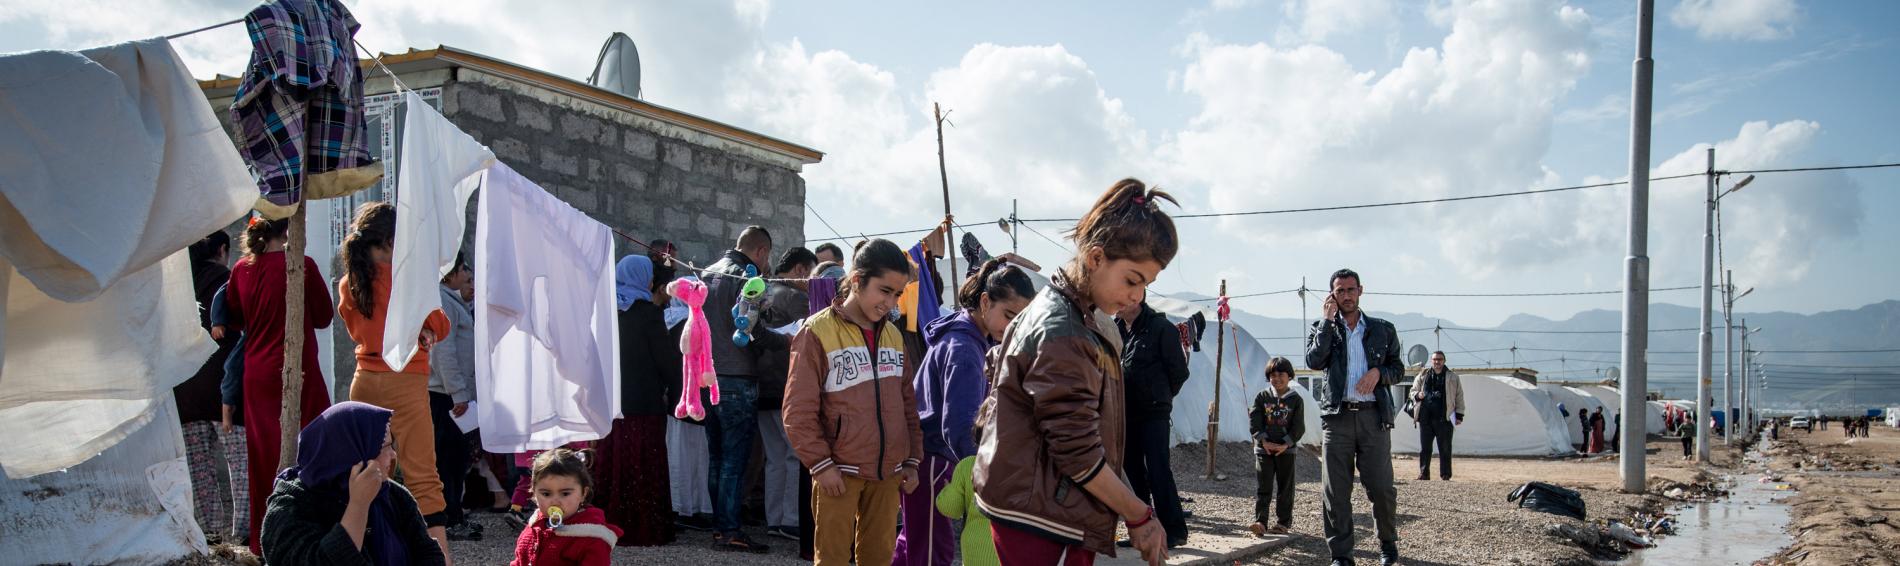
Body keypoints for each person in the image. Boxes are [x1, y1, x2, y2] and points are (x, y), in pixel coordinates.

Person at [977, 178, 1179, 566]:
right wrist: (1139, 514)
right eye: (1132, 280)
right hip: (1044, 518)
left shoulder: (1061, 312)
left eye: (1147, 285)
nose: (1137, 296)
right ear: (1096, 258)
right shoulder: (1065, 332)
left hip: (1035, 506)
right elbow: (1079, 454)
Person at [782, 239, 924, 565]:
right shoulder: (816, 332)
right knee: (831, 559)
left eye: (897, 295)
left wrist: (913, 459)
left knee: (877, 559)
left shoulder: (893, 335)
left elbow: (907, 404)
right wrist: (820, 464)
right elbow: (797, 410)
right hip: (837, 474)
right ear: (857, 280)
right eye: (884, 290)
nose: (890, 302)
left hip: (889, 474)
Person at [897, 257, 1037, 565]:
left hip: (922, 457)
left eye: (1020, 319)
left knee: (914, 543)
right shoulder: (964, 350)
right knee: (932, 552)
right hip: (935, 460)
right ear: (985, 301)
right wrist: (981, 475)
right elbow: (960, 425)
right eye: (1009, 315)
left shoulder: (966, 339)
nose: (1012, 326)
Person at [334, 202, 454, 556]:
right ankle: (440, 556)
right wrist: (425, 332)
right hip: (406, 379)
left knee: (371, 471)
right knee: (422, 474)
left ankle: (377, 550)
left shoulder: (348, 282)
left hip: (365, 379)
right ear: (390, 241)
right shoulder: (407, 279)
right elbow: (440, 323)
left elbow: (356, 328)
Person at [227, 216, 336, 555]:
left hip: (257, 373)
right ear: (288, 229)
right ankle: (310, 533)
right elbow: (323, 316)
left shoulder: (241, 270)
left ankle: (264, 541)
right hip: (298, 369)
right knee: (314, 452)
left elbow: (234, 316)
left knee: (263, 458)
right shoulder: (301, 265)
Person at [259, 401, 446, 566]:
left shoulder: (393, 495)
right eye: (383, 447)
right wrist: (359, 505)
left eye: (392, 445)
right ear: (350, 453)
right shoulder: (289, 507)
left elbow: (428, 553)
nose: (393, 454)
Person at [1305, 268, 1403, 566]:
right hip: (1337, 419)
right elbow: (1313, 360)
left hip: (1374, 418)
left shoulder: (1383, 329)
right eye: (1340, 291)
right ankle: (1342, 556)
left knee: (1382, 488)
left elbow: (1398, 369)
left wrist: (1378, 372)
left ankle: (1387, 545)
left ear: (1360, 290)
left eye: (1350, 289)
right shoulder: (1323, 328)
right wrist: (1325, 321)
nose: (1346, 295)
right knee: (1335, 492)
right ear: (1331, 295)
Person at [593, 255, 681, 546]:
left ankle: (607, 524)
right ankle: (643, 528)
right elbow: (666, 361)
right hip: (643, 402)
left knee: (612, 463)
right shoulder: (647, 312)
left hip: (610, 403)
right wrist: (679, 391)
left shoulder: (605, 311)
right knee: (642, 464)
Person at [701, 226, 777, 552]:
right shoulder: (747, 278)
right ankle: (729, 528)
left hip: (708, 377)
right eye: (768, 256)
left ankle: (720, 528)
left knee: (716, 458)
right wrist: (783, 341)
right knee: (734, 459)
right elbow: (750, 327)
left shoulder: (706, 273)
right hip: (738, 377)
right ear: (761, 252)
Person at [177, 231, 249, 543]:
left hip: (186, 394)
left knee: (199, 470)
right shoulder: (230, 282)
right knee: (240, 467)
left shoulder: (177, 288)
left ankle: (210, 534)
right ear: (222, 250)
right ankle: (243, 532)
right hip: (225, 394)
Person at [1115, 292, 1191, 548]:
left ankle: (1174, 530)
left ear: (1136, 298)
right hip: (1125, 411)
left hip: (1154, 411)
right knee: (1133, 470)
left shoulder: (1161, 328)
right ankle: (1142, 527)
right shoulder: (1116, 329)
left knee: (1158, 468)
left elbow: (1179, 372)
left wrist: (1161, 395)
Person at [757, 247, 816, 542]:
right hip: (784, 385)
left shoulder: (762, 290)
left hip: (761, 385)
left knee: (774, 457)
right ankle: (791, 520)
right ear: (800, 270)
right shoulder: (796, 298)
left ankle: (773, 518)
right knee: (794, 455)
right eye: (811, 274)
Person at [428, 255, 479, 542]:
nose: (465, 274)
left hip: (450, 393)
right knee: (448, 459)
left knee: (457, 458)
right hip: (445, 395)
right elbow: (443, 352)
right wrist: (458, 392)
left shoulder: (450, 299)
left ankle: (454, 513)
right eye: (462, 270)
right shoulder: (444, 301)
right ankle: (448, 519)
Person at [509, 448, 623, 566]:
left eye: (565, 493)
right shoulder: (534, 526)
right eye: (546, 494)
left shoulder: (592, 538)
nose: (555, 501)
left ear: (583, 494)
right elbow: (519, 561)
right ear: (533, 493)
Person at [1249, 357, 1306, 537]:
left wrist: (1286, 443)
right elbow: (1255, 421)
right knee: (1263, 487)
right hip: (1263, 450)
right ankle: (1261, 522)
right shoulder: (1262, 397)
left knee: (1285, 487)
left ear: (1289, 376)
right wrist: (1263, 440)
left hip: (1286, 451)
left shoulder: (1296, 399)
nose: (1277, 379)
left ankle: (1282, 522)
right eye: (1273, 375)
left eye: (1281, 374)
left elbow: (1299, 426)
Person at [936, 426, 999, 566]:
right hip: (1012, 549)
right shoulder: (1027, 469)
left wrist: (946, 490)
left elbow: (951, 508)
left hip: (976, 549)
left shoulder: (968, 465)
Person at [1411, 351, 1464, 481]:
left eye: (1439, 359)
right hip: (1425, 418)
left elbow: (1459, 396)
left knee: (1445, 448)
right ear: (1431, 361)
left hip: (1444, 418)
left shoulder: (1452, 377)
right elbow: (1412, 392)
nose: (1437, 362)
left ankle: (1445, 474)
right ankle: (1424, 473)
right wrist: (1418, 395)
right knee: (1425, 448)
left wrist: (1459, 415)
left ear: (1444, 361)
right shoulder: (1423, 375)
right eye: (1434, 359)